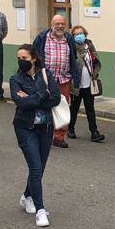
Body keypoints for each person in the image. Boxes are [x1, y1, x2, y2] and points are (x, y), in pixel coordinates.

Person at [11, 44, 60, 228]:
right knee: (36, 168)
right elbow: (20, 103)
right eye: (18, 58)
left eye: (24, 58)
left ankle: (27, 196)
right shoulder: (15, 79)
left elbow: (55, 98)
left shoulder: (45, 74)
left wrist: (31, 96)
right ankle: (40, 211)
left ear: (33, 58)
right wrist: (42, 95)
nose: (20, 61)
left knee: (39, 168)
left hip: (45, 127)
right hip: (25, 127)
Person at [33, 14, 78, 148]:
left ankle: (59, 137)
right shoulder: (42, 38)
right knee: (43, 106)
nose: (60, 26)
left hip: (64, 78)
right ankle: (43, 133)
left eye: (62, 24)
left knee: (63, 107)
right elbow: (34, 56)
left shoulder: (69, 39)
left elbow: (73, 57)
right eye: (57, 23)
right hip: (46, 79)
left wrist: (75, 76)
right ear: (51, 25)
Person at [68, 25, 105, 142]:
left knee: (90, 109)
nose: (79, 36)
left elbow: (96, 60)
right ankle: (70, 128)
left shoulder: (89, 46)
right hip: (77, 84)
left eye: (81, 33)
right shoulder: (72, 48)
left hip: (89, 83)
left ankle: (94, 132)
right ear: (73, 36)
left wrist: (95, 72)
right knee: (74, 108)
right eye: (76, 34)